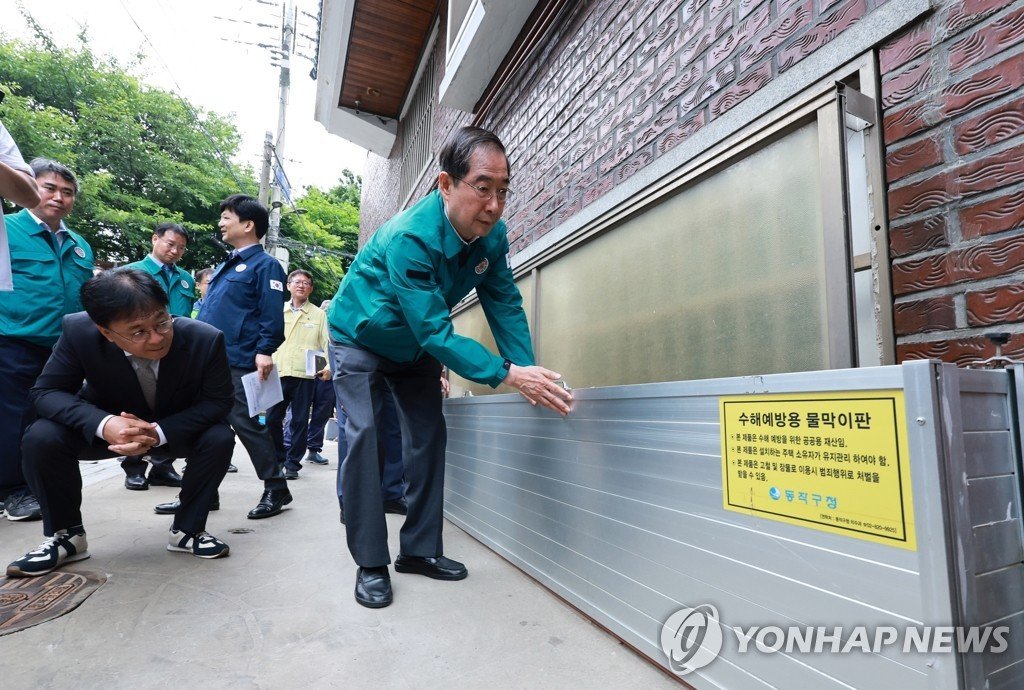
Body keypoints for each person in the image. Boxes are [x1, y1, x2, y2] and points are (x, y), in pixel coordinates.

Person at [327, 126, 573, 608]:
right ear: (445, 184)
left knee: (428, 436)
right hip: (360, 335)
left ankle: (418, 551)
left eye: (503, 190)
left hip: (414, 346)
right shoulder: (409, 238)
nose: (495, 204)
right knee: (366, 435)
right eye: (483, 188)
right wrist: (505, 373)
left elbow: (503, 301)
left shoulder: (491, 235)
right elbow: (436, 332)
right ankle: (371, 562)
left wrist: (530, 375)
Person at [6, 269, 234, 577]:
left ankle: (188, 530)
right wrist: (104, 423)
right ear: (106, 332)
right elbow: (47, 391)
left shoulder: (205, 338)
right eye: (138, 331)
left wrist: (158, 433)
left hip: (174, 430)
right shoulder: (78, 333)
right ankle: (66, 535)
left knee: (220, 436)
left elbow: (218, 402)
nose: (156, 338)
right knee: (41, 436)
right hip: (110, 433)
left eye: (162, 322)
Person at [0, 158, 94, 523]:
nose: (58, 197)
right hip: (14, 341)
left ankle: (36, 483)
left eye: (67, 192)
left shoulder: (80, 245)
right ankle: (13, 491)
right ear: (28, 187)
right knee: (13, 418)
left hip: (63, 348)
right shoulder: (7, 230)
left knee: (49, 419)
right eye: (49, 188)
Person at [192, 194, 291, 519]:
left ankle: (276, 487)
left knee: (246, 423)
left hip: (239, 358)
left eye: (227, 217)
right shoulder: (227, 264)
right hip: (211, 359)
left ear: (248, 225)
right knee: (208, 427)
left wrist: (264, 350)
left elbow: (271, 315)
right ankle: (203, 492)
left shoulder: (266, 265)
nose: (221, 223)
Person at [119, 222, 196, 490]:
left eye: (181, 248)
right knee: (136, 406)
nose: (175, 251)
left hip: (173, 351)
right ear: (155, 239)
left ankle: (163, 466)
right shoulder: (131, 273)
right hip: (138, 349)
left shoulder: (185, 278)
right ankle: (134, 467)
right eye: (170, 244)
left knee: (170, 407)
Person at [266, 269, 330, 480]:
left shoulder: (318, 314)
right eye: (297, 282)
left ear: (311, 289)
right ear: (288, 286)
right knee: (272, 418)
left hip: (305, 373)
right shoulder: (277, 309)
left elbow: (326, 343)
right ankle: (279, 457)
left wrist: (328, 366)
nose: (301, 285)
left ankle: (293, 463)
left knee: (300, 421)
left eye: (306, 283)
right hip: (278, 370)